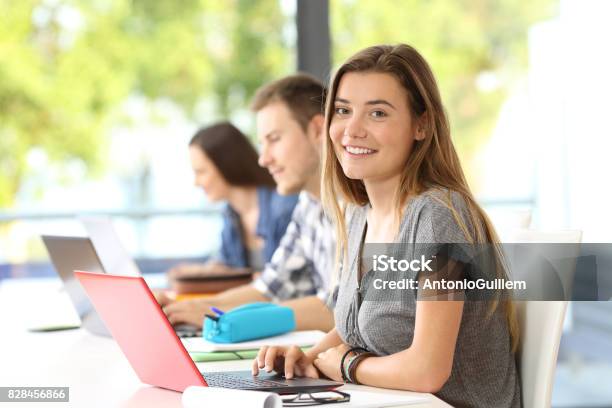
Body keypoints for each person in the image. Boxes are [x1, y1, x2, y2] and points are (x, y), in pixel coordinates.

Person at [252, 44, 521, 407]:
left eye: (377, 113)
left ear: (421, 125)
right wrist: (309, 357)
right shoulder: (358, 215)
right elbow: (353, 327)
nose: (352, 129)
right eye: (343, 111)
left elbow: (427, 370)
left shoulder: (438, 216)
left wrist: (348, 364)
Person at [160, 74, 336, 332]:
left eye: (274, 139)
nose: (263, 159)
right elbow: (269, 289)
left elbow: (344, 310)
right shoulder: (307, 206)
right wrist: (198, 307)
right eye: (262, 143)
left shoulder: (364, 206)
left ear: (318, 130)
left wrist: (224, 316)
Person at [167, 122, 298, 282]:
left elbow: (286, 281)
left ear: (226, 165)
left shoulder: (285, 208)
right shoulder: (231, 214)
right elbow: (225, 264)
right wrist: (200, 272)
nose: (196, 183)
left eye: (201, 172)